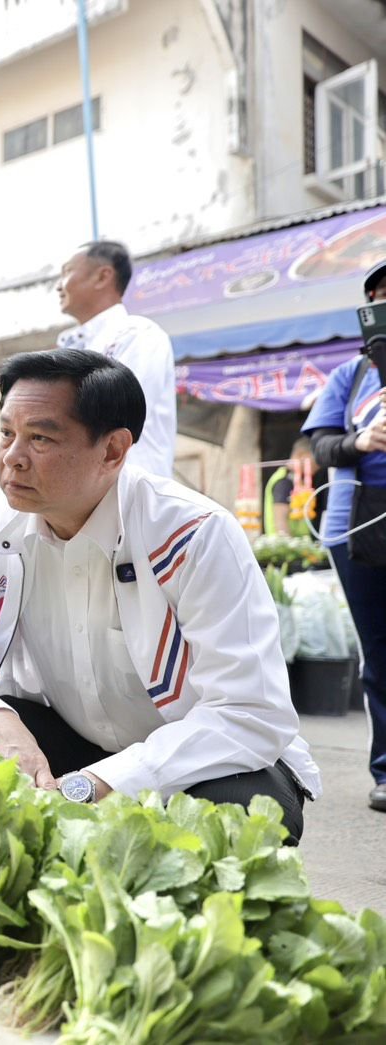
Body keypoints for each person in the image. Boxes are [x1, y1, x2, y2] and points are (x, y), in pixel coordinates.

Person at [0, 348, 321, 838]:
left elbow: (250, 713)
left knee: (243, 817)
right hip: (72, 737)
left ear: (112, 451)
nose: (12, 458)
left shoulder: (193, 534)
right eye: (6, 434)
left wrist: (102, 783)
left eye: (39, 438)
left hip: (199, 756)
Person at [303, 260, 386, 812]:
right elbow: (321, 447)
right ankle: (385, 772)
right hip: (358, 526)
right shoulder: (350, 376)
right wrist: (361, 441)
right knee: (380, 650)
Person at [56, 240, 178, 479]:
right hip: (87, 494)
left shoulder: (137, 334)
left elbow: (118, 413)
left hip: (131, 495)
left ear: (102, 277)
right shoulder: (71, 346)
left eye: (68, 272)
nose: (59, 286)